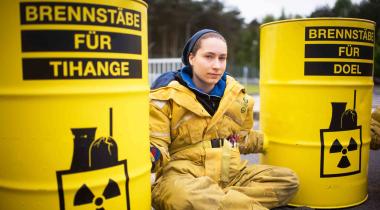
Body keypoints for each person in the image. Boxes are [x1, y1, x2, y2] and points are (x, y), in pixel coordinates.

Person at [149, 29, 302, 210]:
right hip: (185, 178)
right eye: (209, 57)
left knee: (288, 181)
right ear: (191, 58)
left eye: (222, 58)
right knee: (182, 197)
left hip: (231, 174)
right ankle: (223, 202)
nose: (217, 65)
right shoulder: (166, 96)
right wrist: (150, 156)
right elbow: (157, 144)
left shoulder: (236, 96)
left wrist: (270, 141)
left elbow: (238, 139)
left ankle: (218, 201)